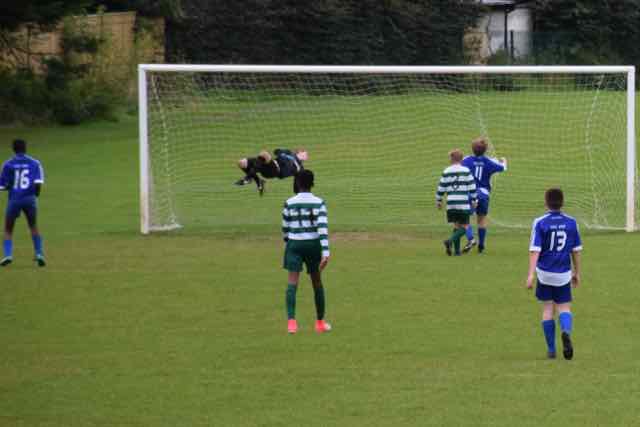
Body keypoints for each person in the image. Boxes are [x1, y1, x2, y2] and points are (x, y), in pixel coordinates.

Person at [526, 188, 582, 360]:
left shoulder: (540, 222)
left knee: (548, 309)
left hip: (544, 273)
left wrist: (530, 275)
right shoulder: (571, 222)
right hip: (563, 273)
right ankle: (566, 332)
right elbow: (576, 251)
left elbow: (535, 250)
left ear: (546, 202)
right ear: (562, 203)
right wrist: (577, 272)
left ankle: (551, 350)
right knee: (564, 308)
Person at [281, 169, 331, 334]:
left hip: (294, 244)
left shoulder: (289, 202)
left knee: (292, 282)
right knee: (317, 282)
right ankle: (320, 323)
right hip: (313, 245)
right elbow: (322, 228)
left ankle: (291, 323)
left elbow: (285, 228)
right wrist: (325, 252)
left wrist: (288, 244)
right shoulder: (319, 202)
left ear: (297, 183)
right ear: (312, 183)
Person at [0, 139, 46, 267]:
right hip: (30, 199)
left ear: (13, 149)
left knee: (8, 229)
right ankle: (39, 254)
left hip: (14, 199)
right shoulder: (35, 163)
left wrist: (10, 187)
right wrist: (35, 195)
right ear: (25, 148)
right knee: (33, 226)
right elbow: (38, 183)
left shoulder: (8, 164)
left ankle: (8, 255)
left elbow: (3, 186)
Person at [461, 137, 507, 253]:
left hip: (470, 193)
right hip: (483, 195)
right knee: (481, 220)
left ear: (472, 149)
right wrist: (503, 160)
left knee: (465, 219)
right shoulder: (488, 162)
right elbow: (503, 168)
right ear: (485, 150)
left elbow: (459, 166)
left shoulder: (466, 160)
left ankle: (471, 239)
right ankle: (481, 246)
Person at [436, 149, 477, 256]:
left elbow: (441, 187)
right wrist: (474, 200)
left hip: (451, 203)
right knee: (464, 227)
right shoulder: (466, 170)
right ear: (461, 159)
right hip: (462, 203)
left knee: (456, 226)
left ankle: (457, 252)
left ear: (451, 159)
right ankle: (449, 241)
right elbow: (472, 186)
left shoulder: (446, 171)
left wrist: (439, 200)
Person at [235, 148, 308, 196]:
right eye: (305, 153)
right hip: (269, 163)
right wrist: (281, 152)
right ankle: (258, 181)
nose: (307, 156)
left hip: (274, 171)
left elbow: (297, 186)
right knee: (241, 163)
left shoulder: (301, 169)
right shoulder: (289, 153)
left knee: (264, 154)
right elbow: (276, 151)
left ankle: (249, 178)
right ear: (299, 152)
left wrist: (299, 195)